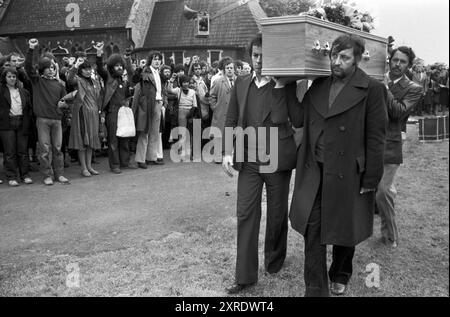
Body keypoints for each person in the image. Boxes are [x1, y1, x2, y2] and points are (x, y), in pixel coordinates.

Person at [286, 34, 388, 296]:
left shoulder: (373, 90)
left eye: (344, 57)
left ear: (356, 60)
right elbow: (300, 117)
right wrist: (285, 85)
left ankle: (340, 272)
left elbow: (377, 138)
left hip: (349, 173)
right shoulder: (318, 86)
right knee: (313, 228)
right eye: (334, 56)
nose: (337, 61)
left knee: (345, 230)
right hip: (316, 172)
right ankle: (316, 289)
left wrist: (371, 180)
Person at [222, 33, 297, 294]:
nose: (258, 60)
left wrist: (279, 86)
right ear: (250, 55)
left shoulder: (286, 84)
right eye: (255, 55)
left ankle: (274, 260)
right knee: (246, 214)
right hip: (249, 160)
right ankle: (244, 276)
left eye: (264, 56)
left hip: (276, 158)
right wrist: (227, 151)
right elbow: (231, 118)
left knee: (277, 214)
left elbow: (286, 118)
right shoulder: (241, 83)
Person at [376, 46, 423, 249]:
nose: (397, 64)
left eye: (402, 62)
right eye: (395, 59)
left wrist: (385, 88)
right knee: (375, 189)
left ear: (408, 65)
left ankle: (390, 235)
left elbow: (398, 112)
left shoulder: (414, 88)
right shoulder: (376, 77)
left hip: (390, 144)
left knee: (383, 190)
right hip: (369, 142)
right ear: (389, 60)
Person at [25, 39, 69, 186]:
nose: (51, 69)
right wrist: (31, 49)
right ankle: (47, 175)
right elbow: (29, 67)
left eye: (52, 67)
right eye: (48, 67)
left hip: (57, 120)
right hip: (42, 120)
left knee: (57, 149)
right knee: (44, 150)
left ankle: (60, 174)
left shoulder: (59, 84)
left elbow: (66, 101)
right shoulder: (37, 81)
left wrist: (64, 105)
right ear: (42, 69)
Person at [95, 42, 135, 174]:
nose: (119, 68)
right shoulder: (108, 78)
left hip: (123, 111)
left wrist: (128, 59)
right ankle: (114, 165)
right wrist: (99, 53)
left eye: (120, 66)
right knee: (113, 140)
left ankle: (125, 162)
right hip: (112, 112)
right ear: (112, 67)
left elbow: (131, 74)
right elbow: (100, 68)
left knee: (125, 137)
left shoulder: (124, 80)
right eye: (116, 66)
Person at [66, 57, 102, 177]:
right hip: (82, 114)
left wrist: (101, 113)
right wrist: (75, 65)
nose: (87, 71)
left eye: (89, 68)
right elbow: (69, 79)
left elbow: (99, 98)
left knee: (91, 140)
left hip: (94, 114)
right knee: (82, 141)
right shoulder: (79, 80)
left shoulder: (95, 82)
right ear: (80, 71)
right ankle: (84, 168)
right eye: (84, 69)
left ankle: (90, 166)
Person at [0, 67, 33, 186]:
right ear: (5, 78)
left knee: (23, 151)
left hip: (21, 122)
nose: (12, 79)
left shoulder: (23, 91)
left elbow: (28, 108)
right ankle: (11, 176)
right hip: (7, 124)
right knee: (10, 152)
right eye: (9, 76)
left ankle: (25, 175)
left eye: (14, 76)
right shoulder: (1, 90)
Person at [131, 51, 165, 168]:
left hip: (158, 103)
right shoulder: (146, 71)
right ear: (151, 60)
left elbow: (159, 89)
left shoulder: (158, 73)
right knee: (144, 132)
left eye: (159, 59)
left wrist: (162, 100)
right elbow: (135, 79)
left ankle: (151, 157)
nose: (157, 61)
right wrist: (139, 69)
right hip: (147, 104)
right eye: (155, 59)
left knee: (155, 132)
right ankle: (141, 159)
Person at [209, 57, 235, 158]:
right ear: (224, 69)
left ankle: (230, 156)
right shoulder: (218, 81)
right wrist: (215, 107)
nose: (229, 70)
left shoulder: (239, 81)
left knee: (232, 134)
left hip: (233, 113)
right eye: (227, 68)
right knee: (219, 134)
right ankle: (218, 157)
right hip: (220, 112)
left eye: (231, 68)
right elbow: (211, 96)